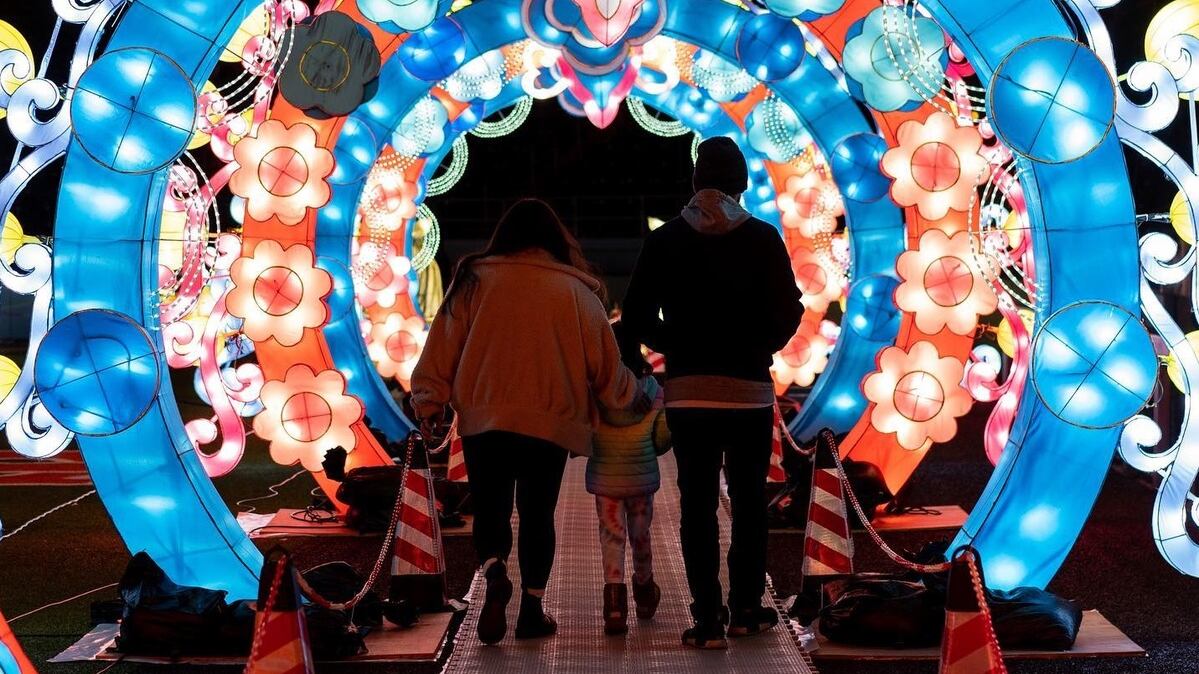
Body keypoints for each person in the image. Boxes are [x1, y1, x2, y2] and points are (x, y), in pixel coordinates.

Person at [411, 199, 648, 646]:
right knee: (538, 515)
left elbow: (442, 345)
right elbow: (605, 365)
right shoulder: (576, 291)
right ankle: (532, 610)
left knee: (492, 509)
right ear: (556, 240)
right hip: (549, 422)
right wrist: (633, 399)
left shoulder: (474, 280)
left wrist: (429, 401)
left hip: (485, 419)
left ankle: (494, 572)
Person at [622, 137, 803, 649]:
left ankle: (707, 620)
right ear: (741, 185)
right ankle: (746, 609)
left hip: (690, 393)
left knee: (698, 506)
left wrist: (676, 346)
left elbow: (634, 317)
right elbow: (790, 308)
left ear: (696, 181)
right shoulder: (762, 238)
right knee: (749, 504)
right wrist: (759, 346)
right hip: (749, 392)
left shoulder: (666, 240)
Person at [585, 322, 668, 636]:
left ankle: (615, 605)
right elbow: (661, 437)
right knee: (640, 534)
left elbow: (584, 426)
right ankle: (645, 592)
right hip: (641, 479)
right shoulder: (653, 390)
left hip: (606, 478)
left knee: (612, 536)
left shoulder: (595, 390)